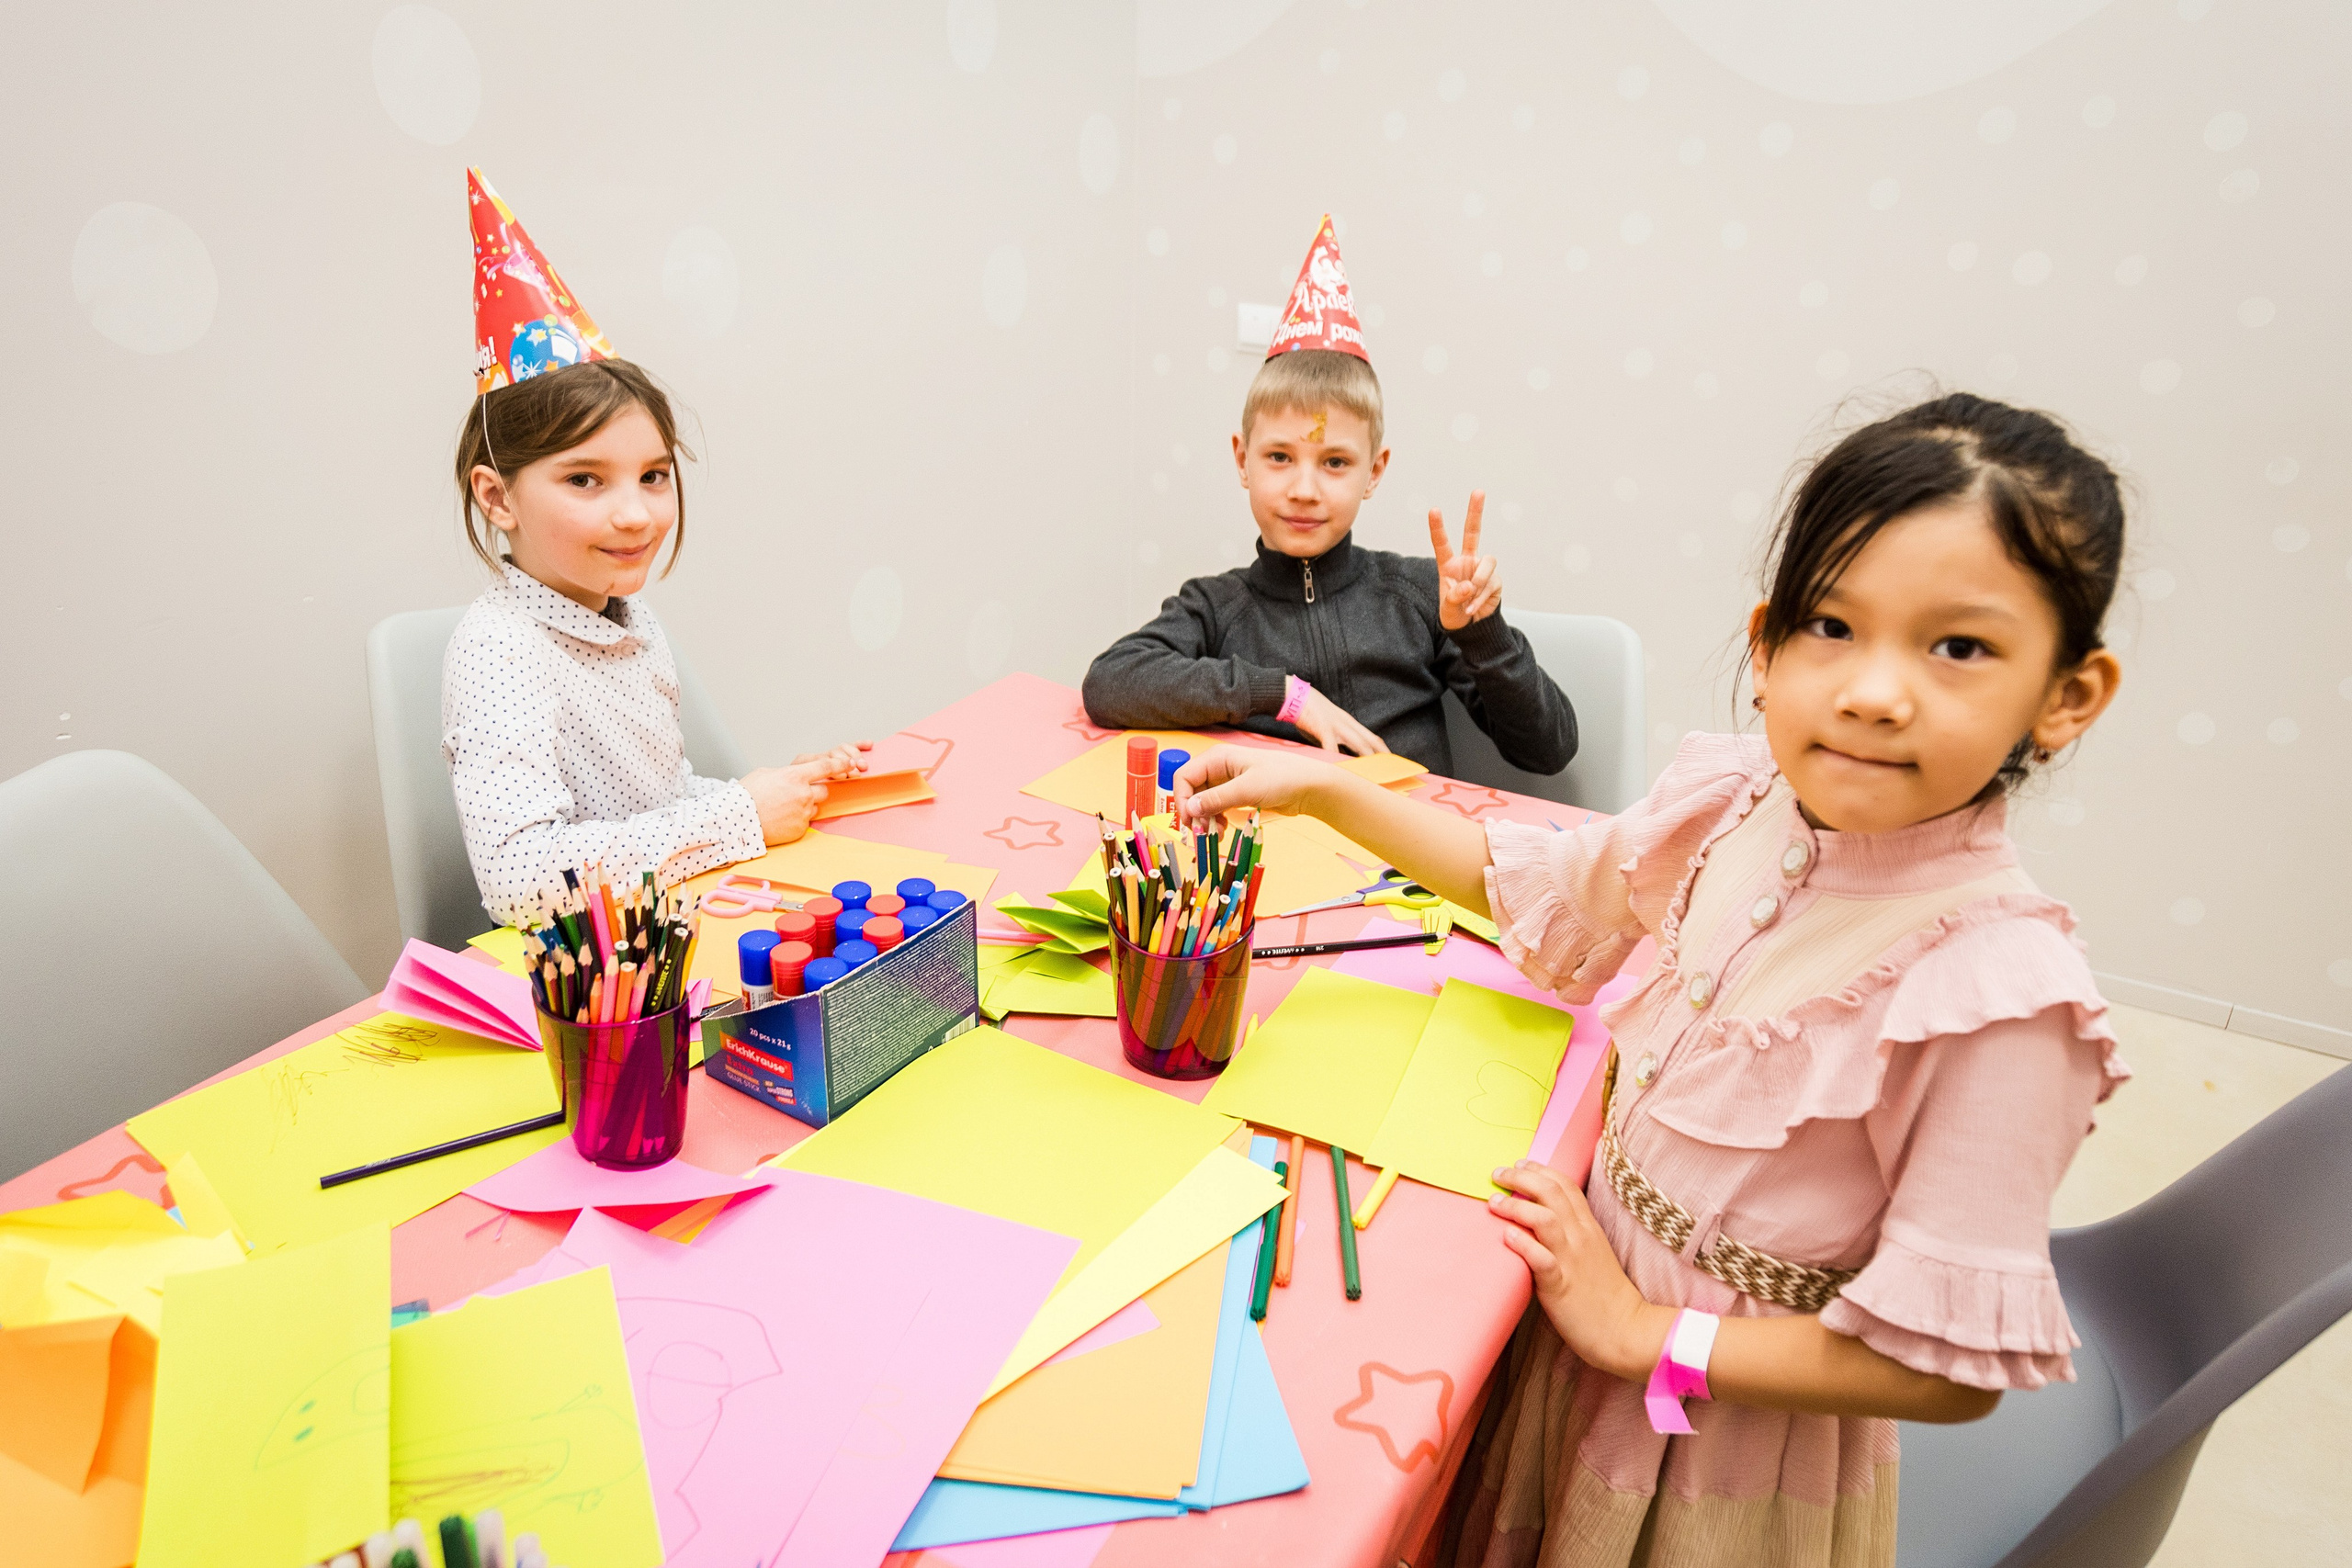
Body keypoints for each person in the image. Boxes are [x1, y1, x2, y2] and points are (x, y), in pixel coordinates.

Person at [1174, 392, 2131, 1567]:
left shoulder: (1999, 998)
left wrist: (1642, 1335)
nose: (1874, 690)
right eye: (1831, 625)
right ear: (1767, 639)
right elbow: (1532, 878)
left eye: (1959, 647)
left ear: (2068, 695)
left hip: (1720, 1443)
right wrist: (1324, 792)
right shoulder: (1737, 809)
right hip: (1577, 1331)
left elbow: (1935, 1370)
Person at [442, 169, 867, 927]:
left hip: (670, 938)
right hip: (590, 995)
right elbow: (519, 879)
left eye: (653, 475)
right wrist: (737, 815)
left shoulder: (629, 619)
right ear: (497, 497)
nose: (636, 513)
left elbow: (653, 805)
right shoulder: (501, 650)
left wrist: (771, 791)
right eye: (585, 480)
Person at [1082, 216, 1577, 776]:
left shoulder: (1419, 596)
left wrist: (1483, 635)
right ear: (1242, 459)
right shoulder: (1216, 607)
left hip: (1405, 854)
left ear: (1374, 471)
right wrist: (1282, 695)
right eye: (1279, 457)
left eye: (1335, 462)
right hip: (1279, 853)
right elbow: (1110, 681)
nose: (1304, 489)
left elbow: (1549, 750)